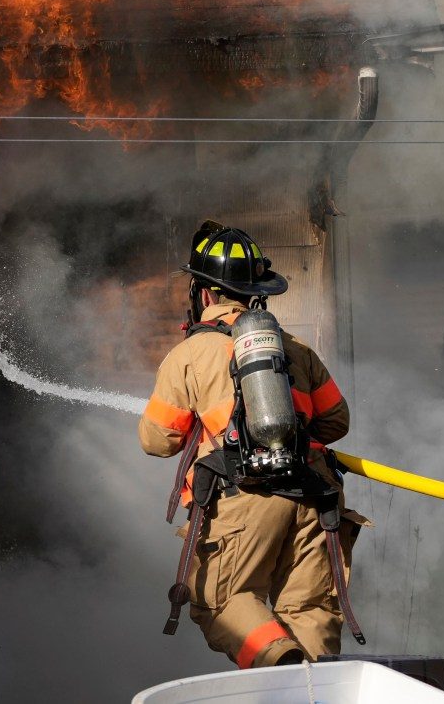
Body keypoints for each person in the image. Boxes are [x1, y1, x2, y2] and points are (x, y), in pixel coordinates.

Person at [138, 221, 367, 669]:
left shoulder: (189, 355)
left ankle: (280, 666)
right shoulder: (295, 348)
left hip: (245, 495)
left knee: (219, 602)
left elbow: (157, 440)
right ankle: (317, 693)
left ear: (205, 294)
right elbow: (337, 422)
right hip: (315, 496)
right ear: (257, 292)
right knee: (308, 610)